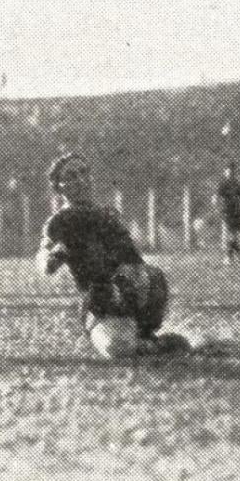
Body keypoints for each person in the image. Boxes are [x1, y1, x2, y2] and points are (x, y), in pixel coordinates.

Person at [37, 153, 190, 358]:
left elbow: (135, 261)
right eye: (72, 176)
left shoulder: (109, 214)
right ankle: (152, 342)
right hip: (100, 303)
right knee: (117, 349)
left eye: (84, 172)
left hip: (129, 293)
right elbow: (44, 257)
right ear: (59, 187)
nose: (81, 180)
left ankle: (145, 332)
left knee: (151, 274)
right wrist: (53, 256)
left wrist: (138, 284)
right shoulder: (59, 222)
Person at [215, 162, 240, 263]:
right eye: (228, 170)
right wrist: (216, 202)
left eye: (232, 170)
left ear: (234, 172)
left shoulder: (237, 184)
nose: (230, 172)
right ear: (225, 172)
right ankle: (232, 256)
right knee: (231, 234)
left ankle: (236, 256)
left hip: (236, 211)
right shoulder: (223, 184)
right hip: (227, 211)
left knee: (234, 235)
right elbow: (217, 195)